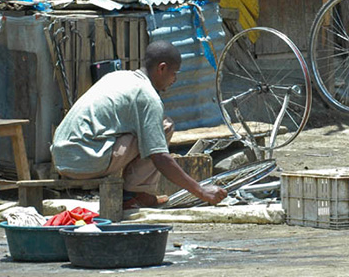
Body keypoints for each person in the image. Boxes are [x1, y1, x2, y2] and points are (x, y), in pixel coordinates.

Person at [51, 40, 227, 209]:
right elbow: (160, 157)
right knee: (163, 126)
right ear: (162, 68)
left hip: (62, 157)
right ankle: (134, 194)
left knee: (147, 129)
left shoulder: (117, 76)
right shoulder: (148, 96)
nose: (174, 80)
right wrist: (201, 191)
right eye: (174, 73)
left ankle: (136, 193)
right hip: (84, 160)